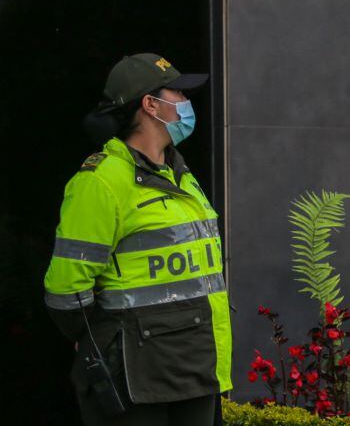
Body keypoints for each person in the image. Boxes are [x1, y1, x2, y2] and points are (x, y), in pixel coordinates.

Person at [43, 53, 232, 426]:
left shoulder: (180, 174)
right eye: (178, 93)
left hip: (194, 366)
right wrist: (99, 338)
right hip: (136, 376)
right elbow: (66, 292)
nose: (187, 103)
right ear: (150, 104)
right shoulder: (101, 182)